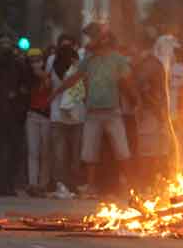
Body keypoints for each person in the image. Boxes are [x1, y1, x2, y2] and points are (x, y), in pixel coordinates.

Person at [53, 25, 132, 197]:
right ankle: (90, 186)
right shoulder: (88, 61)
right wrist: (56, 93)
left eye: (92, 38)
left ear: (103, 39)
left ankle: (128, 185)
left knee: (122, 150)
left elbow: (127, 82)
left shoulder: (118, 60)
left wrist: (136, 102)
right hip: (93, 113)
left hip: (112, 112)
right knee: (89, 152)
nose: (89, 42)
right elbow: (75, 78)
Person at [0, 34, 30, 196]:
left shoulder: (19, 66)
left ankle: (9, 183)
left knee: (16, 150)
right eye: (2, 44)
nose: (5, 47)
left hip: (16, 115)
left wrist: (18, 97)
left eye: (7, 43)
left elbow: (26, 87)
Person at [133, 38, 173, 189]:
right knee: (150, 151)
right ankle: (148, 185)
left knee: (157, 150)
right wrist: (157, 109)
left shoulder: (151, 64)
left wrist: (159, 111)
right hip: (151, 113)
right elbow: (143, 89)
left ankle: (156, 184)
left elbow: (147, 89)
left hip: (155, 113)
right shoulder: (150, 65)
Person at [49, 42, 85, 198]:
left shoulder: (53, 66)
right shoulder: (76, 68)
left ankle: (60, 183)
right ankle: (73, 184)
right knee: (75, 153)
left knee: (59, 153)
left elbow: (49, 84)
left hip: (57, 115)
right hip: (77, 115)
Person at [24, 48, 52, 197]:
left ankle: (43, 184)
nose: (35, 62)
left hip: (46, 116)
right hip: (32, 115)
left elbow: (48, 85)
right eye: (32, 60)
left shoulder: (49, 74)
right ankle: (33, 183)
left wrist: (42, 75)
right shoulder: (26, 77)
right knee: (33, 151)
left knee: (45, 152)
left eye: (38, 59)